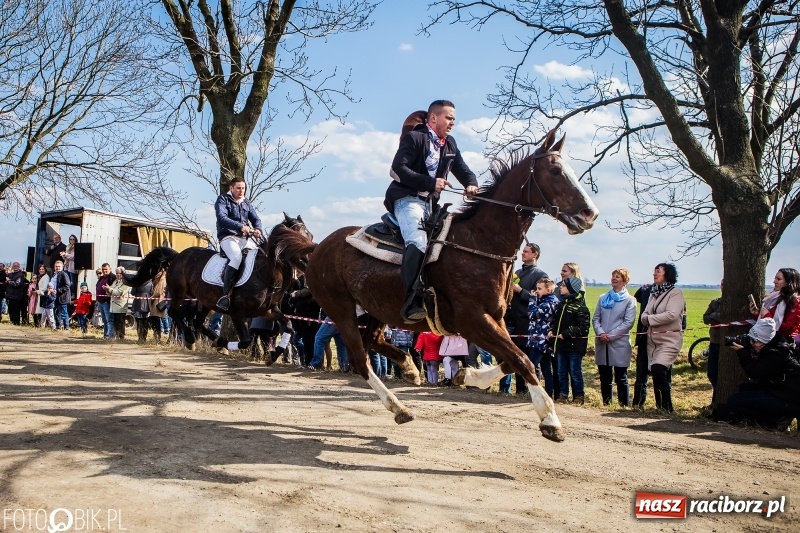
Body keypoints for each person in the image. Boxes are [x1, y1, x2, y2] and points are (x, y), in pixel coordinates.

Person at [386, 99, 479, 323]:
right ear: (434, 118)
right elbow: (396, 170)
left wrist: (471, 183)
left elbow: (463, 169)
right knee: (418, 241)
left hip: (431, 205)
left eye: (454, 120)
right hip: (407, 200)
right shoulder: (415, 138)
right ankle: (411, 301)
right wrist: (430, 183)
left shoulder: (450, 144)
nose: (452, 123)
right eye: (449, 118)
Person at [713, 318, 800, 431]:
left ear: (765, 341)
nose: (752, 343)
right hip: (779, 390)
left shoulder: (776, 354)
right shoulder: (773, 345)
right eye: (751, 340)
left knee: (734, 401)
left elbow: (754, 372)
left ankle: (775, 420)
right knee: (744, 387)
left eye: (755, 341)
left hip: (789, 399)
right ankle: (776, 416)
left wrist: (742, 352)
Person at [500, 242, 548, 395]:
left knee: (529, 359)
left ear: (535, 255)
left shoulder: (540, 275)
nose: (523, 254)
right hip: (511, 320)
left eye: (527, 252)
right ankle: (520, 391)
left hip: (527, 322)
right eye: (523, 251)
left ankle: (533, 391)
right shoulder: (517, 272)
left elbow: (540, 298)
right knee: (515, 357)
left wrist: (521, 291)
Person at [640, 263, 686, 412]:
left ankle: (668, 406)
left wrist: (650, 320)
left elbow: (671, 315)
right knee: (655, 372)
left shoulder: (675, 293)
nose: (654, 273)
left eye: (658, 271)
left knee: (659, 369)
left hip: (669, 340)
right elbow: (644, 313)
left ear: (667, 274)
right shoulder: (654, 293)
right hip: (652, 341)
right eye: (654, 271)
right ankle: (660, 406)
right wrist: (646, 318)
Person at [215, 176, 264, 311]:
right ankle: (225, 296)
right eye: (238, 188)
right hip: (228, 237)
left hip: (244, 239)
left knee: (259, 255)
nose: (241, 191)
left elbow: (256, 219)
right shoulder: (223, 200)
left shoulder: (246, 202)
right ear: (231, 188)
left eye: (243, 188)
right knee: (236, 258)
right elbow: (222, 218)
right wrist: (240, 226)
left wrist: (258, 229)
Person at [593, 269, 637, 406]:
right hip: (602, 342)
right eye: (613, 276)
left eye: (618, 277)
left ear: (625, 281)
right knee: (604, 376)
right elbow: (595, 318)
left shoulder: (630, 300)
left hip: (619, 343)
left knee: (621, 377)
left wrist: (610, 336)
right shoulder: (603, 298)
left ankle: (624, 405)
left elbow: (628, 322)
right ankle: (607, 403)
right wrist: (601, 333)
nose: (614, 278)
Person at [549, 275, 590, 405]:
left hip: (574, 346)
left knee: (574, 371)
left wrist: (566, 334)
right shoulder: (562, 304)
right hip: (561, 345)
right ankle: (563, 395)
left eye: (563, 286)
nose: (560, 287)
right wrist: (552, 330)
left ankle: (579, 396)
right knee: (561, 371)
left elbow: (583, 327)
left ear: (571, 288)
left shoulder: (580, 306)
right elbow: (556, 321)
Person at [527, 277, 560, 397]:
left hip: (540, 341)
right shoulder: (545, 301)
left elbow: (532, 314)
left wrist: (532, 299)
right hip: (539, 339)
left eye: (539, 289)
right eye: (536, 288)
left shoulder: (549, 303)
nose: (536, 291)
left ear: (549, 290)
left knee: (529, 366)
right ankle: (548, 393)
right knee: (546, 369)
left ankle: (538, 393)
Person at [751, 268, 800, 343]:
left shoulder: (795, 302)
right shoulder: (774, 297)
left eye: (778, 279)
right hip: (768, 340)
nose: (774, 282)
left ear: (788, 282)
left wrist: (767, 315)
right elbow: (770, 318)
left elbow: (788, 329)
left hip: (783, 344)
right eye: (775, 278)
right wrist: (757, 314)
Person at [631, 283, 652, 408]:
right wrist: (644, 287)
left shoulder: (673, 294)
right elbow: (636, 297)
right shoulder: (647, 290)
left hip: (662, 340)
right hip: (644, 336)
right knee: (641, 373)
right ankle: (637, 403)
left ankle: (663, 405)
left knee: (662, 374)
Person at [702, 281, 723, 397]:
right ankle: (717, 396)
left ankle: (717, 399)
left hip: (727, 344)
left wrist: (714, 316)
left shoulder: (734, 304)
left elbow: (726, 316)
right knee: (711, 372)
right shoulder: (715, 302)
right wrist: (716, 316)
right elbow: (705, 318)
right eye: (722, 284)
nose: (723, 286)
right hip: (714, 341)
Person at [106, 267, 130, 340]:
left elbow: (119, 293)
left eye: (120, 273)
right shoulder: (115, 281)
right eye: (116, 273)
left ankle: (121, 338)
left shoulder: (126, 282)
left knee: (120, 323)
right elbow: (111, 292)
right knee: (115, 323)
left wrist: (109, 289)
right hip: (113, 306)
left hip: (121, 307)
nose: (118, 275)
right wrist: (107, 290)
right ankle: (116, 336)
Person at [95, 263, 115, 339]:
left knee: (109, 319)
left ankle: (110, 336)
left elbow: (113, 289)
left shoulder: (112, 277)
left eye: (106, 269)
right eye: (103, 269)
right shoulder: (101, 277)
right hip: (100, 301)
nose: (104, 271)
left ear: (110, 269)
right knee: (104, 320)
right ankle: (105, 335)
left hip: (107, 302)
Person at [131, 278, 153, 343]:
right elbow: (152, 292)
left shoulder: (137, 281)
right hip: (147, 302)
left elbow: (133, 292)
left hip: (138, 302)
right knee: (145, 321)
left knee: (139, 321)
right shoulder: (150, 282)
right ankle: (144, 337)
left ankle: (140, 337)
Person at [51, 260, 71, 331]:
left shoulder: (63, 274)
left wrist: (58, 290)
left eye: (59, 266)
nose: (57, 268)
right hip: (56, 297)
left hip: (63, 297)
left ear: (62, 267)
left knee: (64, 313)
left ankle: (67, 328)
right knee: (57, 312)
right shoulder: (54, 274)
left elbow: (67, 285)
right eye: (56, 266)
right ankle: (58, 326)